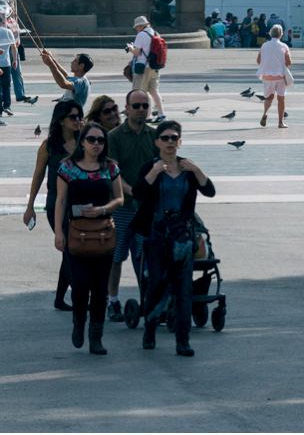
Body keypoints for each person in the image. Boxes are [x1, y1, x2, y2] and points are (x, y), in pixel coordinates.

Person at [131, 120, 214, 356]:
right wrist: (154, 172)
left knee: (184, 289)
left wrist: (196, 170)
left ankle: (183, 340)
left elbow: (210, 191)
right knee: (156, 283)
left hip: (182, 236)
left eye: (174, 138)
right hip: (157, 235)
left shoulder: (187, 169)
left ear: (180, 142)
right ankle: (150, 328)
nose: (170, 142)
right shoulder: (151, 167)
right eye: (165, 138)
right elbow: (138, 193)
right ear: (157, 142)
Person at [53, 120, 124, 355]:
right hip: (77, 235)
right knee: (81, 285)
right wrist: (59, 232)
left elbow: (119, 198)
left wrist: (104, 209)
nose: (96, 144)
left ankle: (96, 337)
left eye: (100, 140)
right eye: (91, 139)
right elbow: (60, 201)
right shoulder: (68, 168)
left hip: (103, 234)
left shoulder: (110, 168)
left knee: (100, 289)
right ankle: (78, 323)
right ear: (82, 142)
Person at [24, 100, 85, 311]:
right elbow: (38, 175)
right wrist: (30, 205)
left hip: (81, 204)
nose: (78, 121)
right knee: (71, 251)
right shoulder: (49, 146)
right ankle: (78, 298)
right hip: (56, 205)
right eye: (73, 117)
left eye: (79, 116)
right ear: (61, 121)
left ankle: (60, 299)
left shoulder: (85, 142)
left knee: (71, 252)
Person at [105, 90, 157, 322]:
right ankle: (112, 300)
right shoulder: (115, 136)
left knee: (145, 255)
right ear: (126, 107)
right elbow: (113, 172)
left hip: (147, 208)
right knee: (117, 255)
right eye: (136, 105)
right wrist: (131, 191)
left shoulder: (155, 136)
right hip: (123, 207)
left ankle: (148, 298)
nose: (140, 110)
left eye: (144, 106)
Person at [128, 16, 165, 121]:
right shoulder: (155, 33)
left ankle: (147, 116)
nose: (136, 29)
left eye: (136, 27)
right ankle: (161, 114)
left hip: (143, 67)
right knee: (154, 91)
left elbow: (137, 52)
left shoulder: (141, 35)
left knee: (140, 92)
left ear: (141, 26)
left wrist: (130, 48)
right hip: (155, 66)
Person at [257, 24, 293, 129]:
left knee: (269, 97)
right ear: (281, 34)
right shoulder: (284, 46)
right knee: (281, 99)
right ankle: (280, 122)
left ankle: (265, 113)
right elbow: (289, 62)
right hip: (280, 76)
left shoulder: (264, 45)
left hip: (267, 76)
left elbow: (258, 61)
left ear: (270, 33)